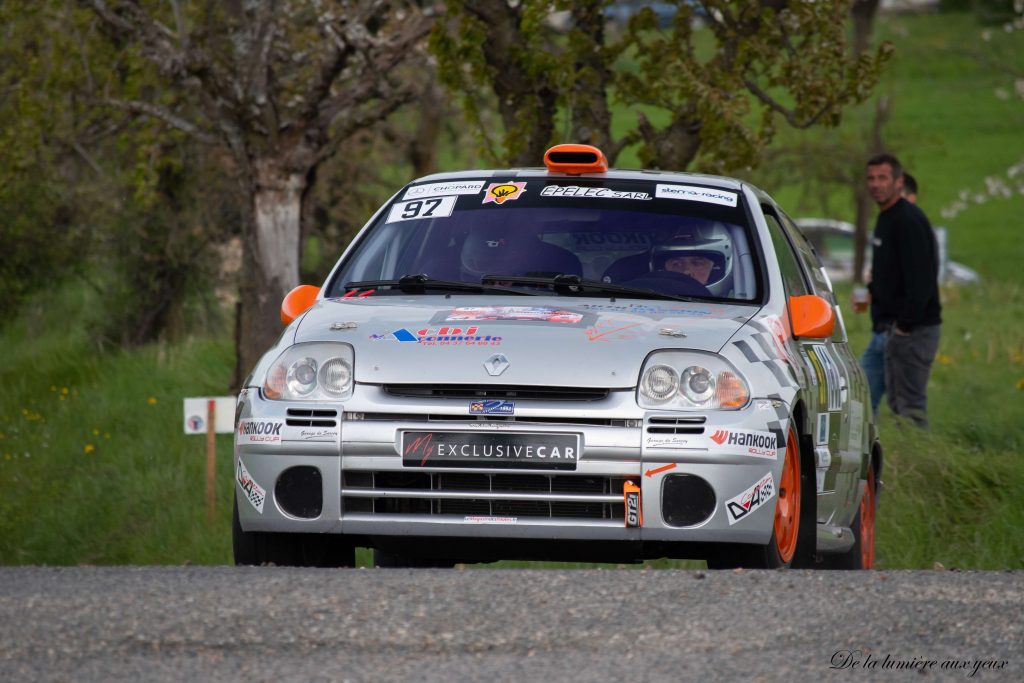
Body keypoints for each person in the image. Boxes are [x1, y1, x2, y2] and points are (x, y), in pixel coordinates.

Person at [864, 154, 942, 428]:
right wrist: (873, 290)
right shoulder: (887, 217)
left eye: (883, 177)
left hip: (913, 329)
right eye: (871, 178)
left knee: (910, 409)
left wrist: (905, 326)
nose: (876, 184)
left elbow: (922, 280)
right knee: (893, 404)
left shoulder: (907, 220)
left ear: (899, 182)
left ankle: (923, 465)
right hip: (889, 326)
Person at [858, 170, 919, 415]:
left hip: (899, 332)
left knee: (906, 406)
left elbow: (919, 286)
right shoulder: (887, 228)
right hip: (881, 329)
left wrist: (903, 326)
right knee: (862, 398)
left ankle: (913, 448)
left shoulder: (914, 232)